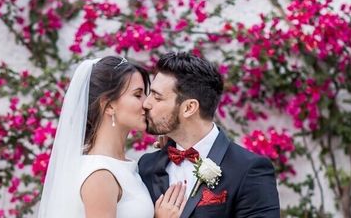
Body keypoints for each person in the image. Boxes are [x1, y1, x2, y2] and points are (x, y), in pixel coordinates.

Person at [38, 55, 187, 218]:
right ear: (109, 106)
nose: (147, 103)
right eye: (138, 95)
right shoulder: (99, 175)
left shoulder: (122, 165)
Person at [139, 51, 280, 218]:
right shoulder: (146, 166)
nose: (146, 103)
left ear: (189, 108)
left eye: (157, 97)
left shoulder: (248, 169)